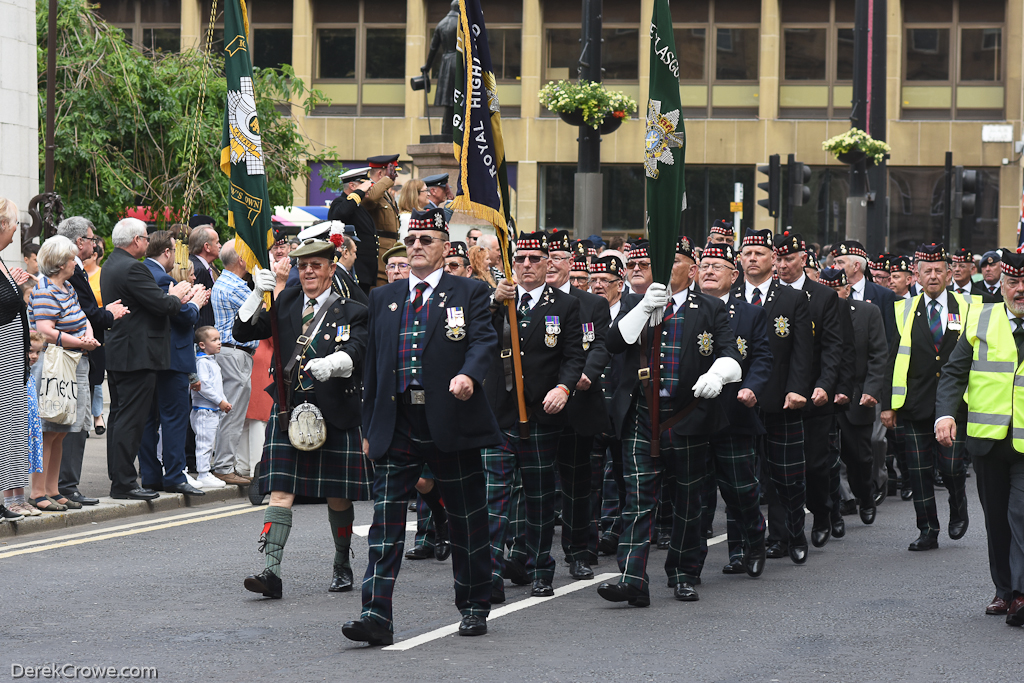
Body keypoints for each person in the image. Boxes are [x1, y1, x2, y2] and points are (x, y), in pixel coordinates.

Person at [344, 207, 500, 645]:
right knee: (385, 523)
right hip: (398, 424)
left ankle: (473, 605)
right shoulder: (384, 298)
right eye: (412, 240)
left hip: (452, 419)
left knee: (467, 519)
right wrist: (368, 426)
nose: (416, 247)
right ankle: (375, 613)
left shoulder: (467, 292)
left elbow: (483, 341)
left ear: (445, 247)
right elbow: (373, 367)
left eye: (426, 240)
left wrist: (469, 374)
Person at [597, 237, 742, 606]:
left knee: (688, 501)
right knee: (638, 499)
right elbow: (613, 342)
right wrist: (645, 307)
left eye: (670, 260)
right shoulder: (632, 302)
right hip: (642, 416)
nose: (658, 268)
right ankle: (632, 577)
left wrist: (719, 375)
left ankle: (683, 572)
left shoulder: (709, 307)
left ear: (691, 269)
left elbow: (732, 355)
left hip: (688, 415)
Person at [235, 238, 371, 599]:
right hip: (289, 412)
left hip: (335, 412)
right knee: (279, 493)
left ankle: (342, 564)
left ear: (330, 268)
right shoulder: (286, 303)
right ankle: (271, 571)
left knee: (338, 497)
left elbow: (357, 351)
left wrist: (333, 365)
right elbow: (243, 332)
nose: (308, 271)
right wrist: (255, 295)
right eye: (302, 266)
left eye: (316, 265)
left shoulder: (352, 310)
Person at [483, 231, 585, 602]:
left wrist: (564, 388)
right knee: (494, 499)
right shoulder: (494, 300)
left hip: (541, 415)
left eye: (534, 260)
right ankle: (491, 574)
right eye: (520, 260)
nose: (526, 266)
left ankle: (541, 569)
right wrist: (495, 303)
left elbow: (574, 355)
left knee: (540, 499)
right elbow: (477, 338)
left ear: (548, 264)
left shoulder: (565, 305)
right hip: (500, 415)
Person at [935, 250, 1024, 625]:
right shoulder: (981, 318)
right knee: (997, 521)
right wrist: (945, 414)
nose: (1020, 290)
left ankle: (1020, 593)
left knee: (1021, 514)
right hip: (987, 439)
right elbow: (955, 372)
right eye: (1013, 283)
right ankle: (1004, 591)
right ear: (1001, 286)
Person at [880, 243, 970, 551]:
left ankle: (958, 508)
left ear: (948, 274)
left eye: (938, 271)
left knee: (952, 468)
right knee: (918, 474)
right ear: (916, 276)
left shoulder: (968, 307)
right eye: (926, 271)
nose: (933, 276)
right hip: (914, 403)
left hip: (956, 405)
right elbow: (891, 358)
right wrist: (889, 405)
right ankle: (927, 529)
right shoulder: (903, 309)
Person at [733, 228, 813, 564]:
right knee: (742, 478)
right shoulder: (730, 295)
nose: (752, 259)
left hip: (781, 399)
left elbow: (802, 352)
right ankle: (746, 545)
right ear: (739, 259)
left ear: (773, 259)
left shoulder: (792, 298)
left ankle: (790, 534)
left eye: (759, 254)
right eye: (747, 254)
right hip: (738, 401)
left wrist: (797, 389)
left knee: (786, 476)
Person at [535, 231, 610, 579]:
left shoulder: (589, 303)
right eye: (544, 255)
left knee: (578, 483)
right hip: (536, 407)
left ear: (571, 264)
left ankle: (578, 551)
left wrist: (585, 376)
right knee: (532, 485)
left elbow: (597, 347)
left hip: (577, 403)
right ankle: (526, 552)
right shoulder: (530, 301)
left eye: (558, 257)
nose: (550, 262)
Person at [102, 217, 194, 500]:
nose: (146, 241)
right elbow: (163, 304)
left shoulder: (111, 264)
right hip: (137, 355)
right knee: (131, 420)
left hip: (121, 352)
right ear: (135, 241)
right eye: (144, 236)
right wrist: (178, 295)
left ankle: (121, 478)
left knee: (119, 418)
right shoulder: (134, 269)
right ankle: (125, 482)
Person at [695, 242, 770, 578]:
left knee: (740, 490)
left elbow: (762, 358)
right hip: (692, 416)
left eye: (717, 266)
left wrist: (751, 387)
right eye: (705, 265)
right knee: (696, 493)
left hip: (733, 411)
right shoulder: (685, 309)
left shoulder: (750, 313)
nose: (709, 271)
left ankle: (751, 544)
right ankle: (690, 564)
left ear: (734, 275)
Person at [774, 233, 845, 550]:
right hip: (778, 396)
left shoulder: (822, 297)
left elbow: (832, 348)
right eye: (778, 259)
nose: (782, 265)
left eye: (788, 259)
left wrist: (824, 386)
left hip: (815, 397)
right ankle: (781, 534)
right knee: (777, 468)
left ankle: (821, 513)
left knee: (816, 465)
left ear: (803, 259)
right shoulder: (770, 296)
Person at [55, 217, 129, 506]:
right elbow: (83, 316)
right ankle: (66, 486)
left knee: (78, 423)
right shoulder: (69, 270)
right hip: (74, 357)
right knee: (73, 424)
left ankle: (64, 485)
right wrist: (107, 314)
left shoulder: (77, 270)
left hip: (83, 356)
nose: (95, 242)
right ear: (79, 242)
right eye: (91, 237)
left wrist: (101, 312)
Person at [30, 236, 102, 511]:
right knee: (48, 428)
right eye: (72, 258)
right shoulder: (45, 290)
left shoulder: (68, 287)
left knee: (62, 430)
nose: (77, 261)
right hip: (53, 365)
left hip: (72, 363)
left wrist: (89, 336)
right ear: (61, 264)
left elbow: (83, 319)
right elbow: (45, 330)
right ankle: (38, 492)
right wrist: (80, 342)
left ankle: (52, 489)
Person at [139, 231, 208, 496]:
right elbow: (179, 316)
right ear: (167, 252)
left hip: (151, 358)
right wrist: (196, 304)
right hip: (174, 358)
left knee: (148, 419)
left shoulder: (142, 272)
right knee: (174, 420)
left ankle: (150, 474)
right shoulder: (163, 278)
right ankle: (175, 475)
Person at [820, 267, 887, 532]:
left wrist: (871, 390)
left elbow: (878, 354)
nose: (832, 297)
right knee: (823, 459)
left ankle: (866, 494)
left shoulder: (868, 313)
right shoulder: (813, 313)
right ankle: (833, 512)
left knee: (859, 457)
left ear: (848, 290)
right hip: (822, 396)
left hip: (857, 395)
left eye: (837, 291)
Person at [210, 240, 256, 486]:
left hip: (231, 352)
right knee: (233, 413)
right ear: (241, 260)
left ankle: (224, 464)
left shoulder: (225, 280)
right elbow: (263, 310)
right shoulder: (236, 286)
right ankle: (224, 467)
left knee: (230, 412)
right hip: (236, 353)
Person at [0, 198, 33, 522]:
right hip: (3, 357)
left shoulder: (2, 261)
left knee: (10, 429)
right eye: (14, 226)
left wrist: (17, 286)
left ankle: (6, 498)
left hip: (12, 360)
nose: (15, 234)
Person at [191, 326, 231, 489]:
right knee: (204, 443)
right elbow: (204, 386)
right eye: (214, 340)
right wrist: (220, 401)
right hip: (203, 410)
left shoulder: (210, 361)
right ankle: (203, 473)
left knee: (208, 442)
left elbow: (217, 386)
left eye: (219, 339)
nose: (219, 343)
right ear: (202, 345)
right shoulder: (202, 363)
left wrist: (223, 400)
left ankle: (205, 471)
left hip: (211, 410)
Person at [328, 167, 378, 294]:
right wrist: (360, 192)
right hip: (354, 270)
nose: (369, 188)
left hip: (365, 272)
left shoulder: (359, 206)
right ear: (352, 185)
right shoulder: (340, 202)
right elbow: (341, 214)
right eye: (364, 184)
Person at [361, 154, 402, 286]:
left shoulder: (385, 194)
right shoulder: (368, 189)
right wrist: (386, 180)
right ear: (380, 173)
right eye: (392, 173)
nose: (394, 177)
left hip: (389, 254)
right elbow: (370, 200)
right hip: (379, 260)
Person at [188, 220, 221, 329]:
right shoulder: (198, 269)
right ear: (207, 247)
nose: (220, 246)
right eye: (217, 242)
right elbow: (197, 307)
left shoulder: (200, 266)